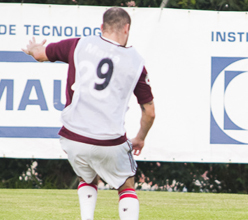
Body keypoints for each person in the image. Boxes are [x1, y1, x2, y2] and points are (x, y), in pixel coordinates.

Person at [22, 7, 154, 220]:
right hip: (110, 141)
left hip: (73, 136)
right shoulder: (136, 62)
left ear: (101, 28)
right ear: (127, 28)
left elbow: (39, 54)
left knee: (87, 176)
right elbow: (150, 112)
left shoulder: (79, 44)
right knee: (126, 184)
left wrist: (34, 48)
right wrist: (140, 138)